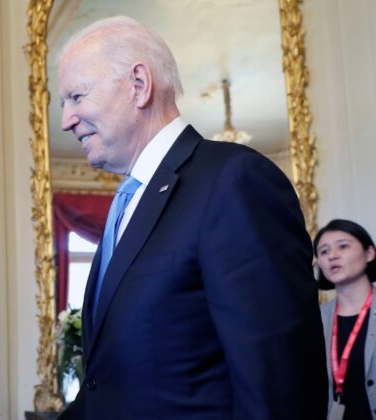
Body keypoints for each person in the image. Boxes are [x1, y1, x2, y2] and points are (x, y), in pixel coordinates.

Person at [56, 16, 326, 419]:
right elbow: (109, 384)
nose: (66, 119)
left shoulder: (234, 181)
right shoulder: (127, 203)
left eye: (76, 96)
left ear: (139, 85)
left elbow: (280, 386)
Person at [315, 219, 376, 419]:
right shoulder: (315, 319)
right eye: (324, 251)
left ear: (369, 253)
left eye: (343, 246)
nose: (332, 256)